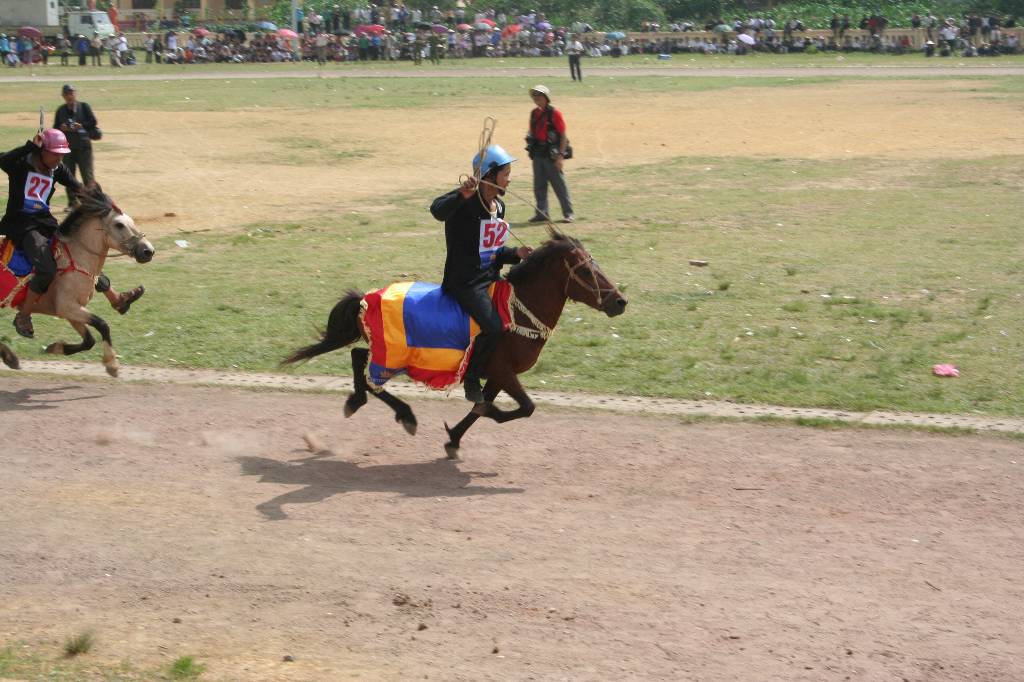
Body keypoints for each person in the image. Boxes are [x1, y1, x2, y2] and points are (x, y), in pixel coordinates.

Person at [0, 132, 144, 338]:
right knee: (47, 268)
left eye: (62, 154)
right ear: (42, 151)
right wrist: (29, 146)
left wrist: (105, 202)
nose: (60, 159)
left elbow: (79, 189)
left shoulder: (57, 169)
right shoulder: (22, 163)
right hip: (22, 226)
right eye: (56, 154)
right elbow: (3, 160)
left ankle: (116, 299)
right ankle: (24, 314)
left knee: (78, 259)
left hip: (45, 224)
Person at [429, 144, 532, 403]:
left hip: (489, 277)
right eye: (505, 173)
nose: (509, 178)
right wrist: (461, 195)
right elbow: (436, 210)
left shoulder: (499, 207)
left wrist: (516, 254)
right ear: (489, 175)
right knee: (494, 327)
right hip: (465, 282)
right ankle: (472, 378)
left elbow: (494, 251)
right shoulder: (464, 200)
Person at [525, 85, 574, 224]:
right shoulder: (534, 113)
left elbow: (563, 136)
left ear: (546, 98)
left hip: (551, 155)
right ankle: (542, 213)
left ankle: (568, 213)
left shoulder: (554, 113)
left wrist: (560, 156)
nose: (536, 98)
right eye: (534, 96)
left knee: (559, 185)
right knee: (539, 185)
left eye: (539, 96)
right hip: (538, 154)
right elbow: (532, 132)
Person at [53, 84, 97, 210]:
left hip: (84, 148)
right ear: (63, 96)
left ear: (75, 94)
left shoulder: (84, 107)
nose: (70, 96)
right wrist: (62, 128)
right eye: (67, 94)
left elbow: (93, 122)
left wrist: (81, 125)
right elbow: (55, 127)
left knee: (88, 176)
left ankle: (92, 202)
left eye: (72, 93)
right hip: (67, 149)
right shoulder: (60, 110)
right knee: (69, 176)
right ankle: (73, 203)